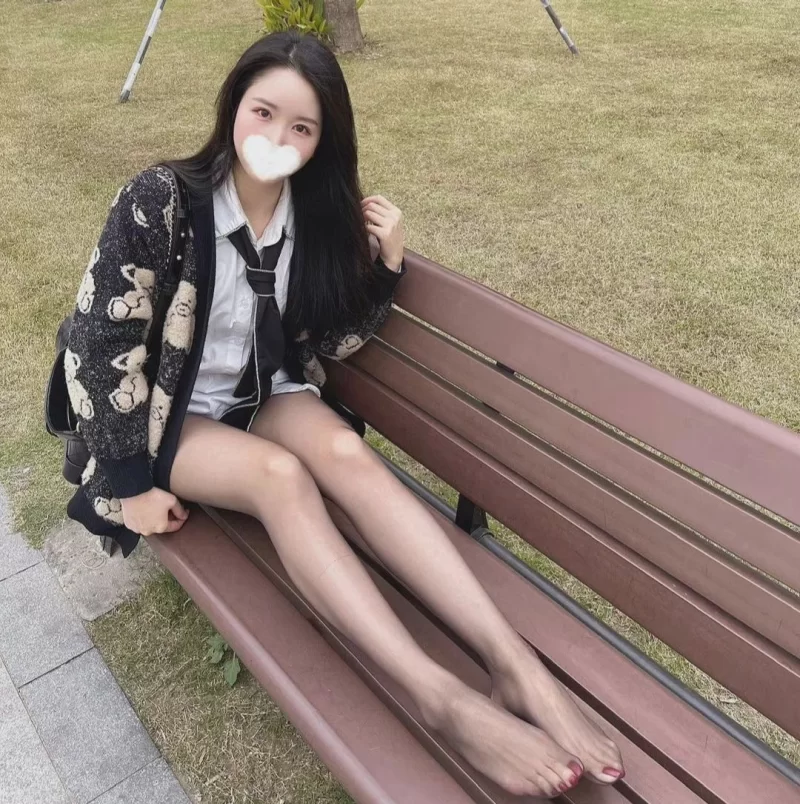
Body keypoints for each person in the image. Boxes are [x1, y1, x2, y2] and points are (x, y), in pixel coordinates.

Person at [64, 31, 624, 798]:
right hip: (167, 418)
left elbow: (326, 338)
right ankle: (439, 696)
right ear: (234, 104)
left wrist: (386, 269)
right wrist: (130, 484)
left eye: (302, 127)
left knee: (350, 457)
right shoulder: (162, 201)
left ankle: (515, 664)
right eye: (264, 112)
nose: (278, 138)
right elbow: (99, 342)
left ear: (323, 139)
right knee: (280, 478)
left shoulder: (311, 214)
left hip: (260, 396)